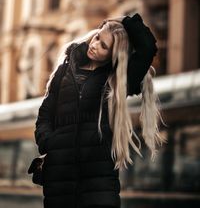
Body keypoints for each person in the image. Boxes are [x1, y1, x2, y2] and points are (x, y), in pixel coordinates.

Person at [34, 13, 164, 208]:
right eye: (97, 37)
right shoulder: (65, 70)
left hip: (100, 184)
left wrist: (125, 20)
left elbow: (147, 48)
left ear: (114, 54)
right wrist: (49, 143)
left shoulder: (117, 81)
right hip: (59, 181)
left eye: (104, 46)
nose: (94, 45)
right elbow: (45, 114)